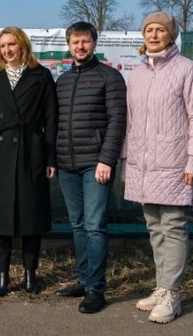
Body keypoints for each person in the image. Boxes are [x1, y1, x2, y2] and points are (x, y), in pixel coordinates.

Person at [122, 11, 193, 324]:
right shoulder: (137, 73)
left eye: (161, 30)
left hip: (175, 163)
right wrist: (127, 159)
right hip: (144, 165)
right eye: (149, 30)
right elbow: (132, 121)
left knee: (172, 226)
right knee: (154, 225)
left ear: (171, 35)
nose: (154, 35)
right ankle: (162, 287)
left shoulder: (188, 69)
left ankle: (172, 295)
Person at [0, 26, 57, 297]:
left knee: (30, 218)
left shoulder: (41, 76)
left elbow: (51, 120)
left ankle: (30, 273)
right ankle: (2, 274)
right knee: (1, 219)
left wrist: (49, 157)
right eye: (3, 46)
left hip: (30, 152)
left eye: (12, 44)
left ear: (23, 45)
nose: (7, 50)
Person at [54, 21, 126, 313]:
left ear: (94, 43)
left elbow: (117, 121)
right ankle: (84, 280)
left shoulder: (110, 77)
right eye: (75, 42)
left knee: (95, 226)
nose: (80, 47)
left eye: (85, 41)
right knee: (78, 224)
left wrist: (106, 159)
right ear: (69, 46)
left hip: (96, 165)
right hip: (66, 165)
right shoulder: (63, 80)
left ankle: (96, 289)